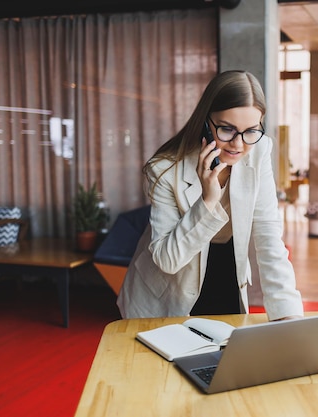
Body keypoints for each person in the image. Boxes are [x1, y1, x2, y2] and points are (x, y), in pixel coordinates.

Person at [117, 70, 304, 321]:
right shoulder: (164, 170)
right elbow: (168, 260)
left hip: (226, 265)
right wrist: (207, 201)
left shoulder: (258, 149)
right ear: (205, 122)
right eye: (227, 129)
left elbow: (269, 237)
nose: (238, 144)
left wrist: (289, 319)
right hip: (167, 290)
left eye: (250, 130)